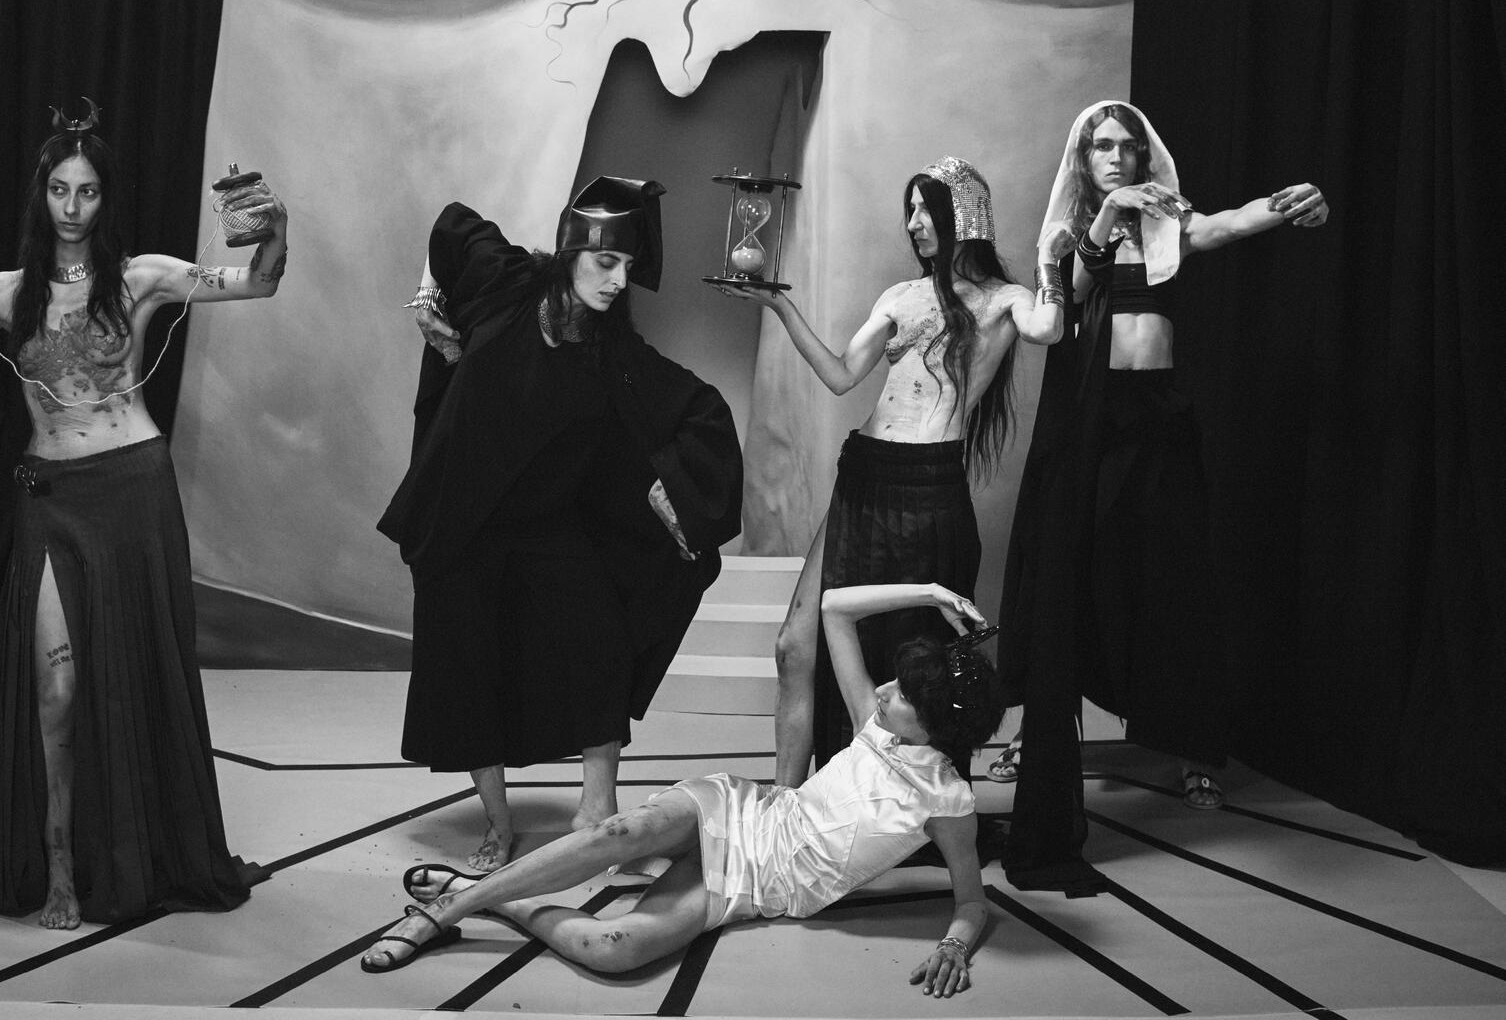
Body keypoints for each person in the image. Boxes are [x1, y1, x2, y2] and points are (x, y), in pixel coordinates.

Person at [0, 103, 288, 928]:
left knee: (134, 676)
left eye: (89, 191)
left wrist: (275, 228)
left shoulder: (141, 278)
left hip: (133, 491)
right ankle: (61, 869)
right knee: (57, 691)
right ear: (42, 196)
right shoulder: (1, 295)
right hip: (50, 501)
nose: (73, 207)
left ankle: (136, 852)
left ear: (106, 199)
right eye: (60, 190)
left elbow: (258, 281)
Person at [358, 580, 1004, 997]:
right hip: (744, 811)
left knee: (615, 950)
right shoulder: (875, 726)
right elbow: (834, 605)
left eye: (903, 695)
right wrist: (929, 593)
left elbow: (972, 902)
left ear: (935, 725)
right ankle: (444, 914)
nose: (884, 692)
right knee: (621, 831)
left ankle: (488, 898)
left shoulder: (948, 800)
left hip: (757, 888)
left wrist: (954, 945)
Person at [997, 100, 1326, 889]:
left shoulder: (1167, 224)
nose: (1116, 157)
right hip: (1090, 427)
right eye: (1101, 147)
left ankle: (1193, 748)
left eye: (1128, 147)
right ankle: (1041, 731)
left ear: (1145, 158)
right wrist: (1107, 213)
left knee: (1175, 582)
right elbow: (1076, 289)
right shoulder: (1067, 233)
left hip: (1159, 422)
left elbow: (1227, 225)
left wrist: (1292, 202)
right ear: (1084, 159)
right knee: (1068, 577)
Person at [375, 177, 743, 873]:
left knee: (601, 644)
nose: (618, 280)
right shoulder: (507, 280)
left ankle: (596, 811)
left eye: (627, 266)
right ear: (572, 251)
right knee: (469, 669)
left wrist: (676, 483)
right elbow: (450, 222)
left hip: (549, 527)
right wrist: (428, 301)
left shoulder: (614, 352)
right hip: (462, 522)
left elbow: (696, 406)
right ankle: (497, 824)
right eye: (606, 262)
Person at [718, 157, 1060, 785]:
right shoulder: (900, 296)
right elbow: (841, 374)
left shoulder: (1005, 300)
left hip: (928, 487)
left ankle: (907, 806)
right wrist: (778, 306)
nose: (914, 223)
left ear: (965, 217)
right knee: (795, 645)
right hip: (863, 475)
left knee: (912, 663)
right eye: (911, 211)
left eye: (927, 210)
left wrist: (1051, 261)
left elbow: (1050, 327)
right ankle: (788, 809)